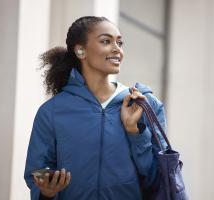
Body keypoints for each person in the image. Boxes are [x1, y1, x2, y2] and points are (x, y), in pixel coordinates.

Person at [24, 16, 168, 200]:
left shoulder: (143, 105)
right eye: (106, 41)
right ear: (81, 51)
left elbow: (158, 178)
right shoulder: (52, 112)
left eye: (120, 42)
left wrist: (136, 132)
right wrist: (46, 193)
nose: (117, 49)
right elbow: (35, 176)